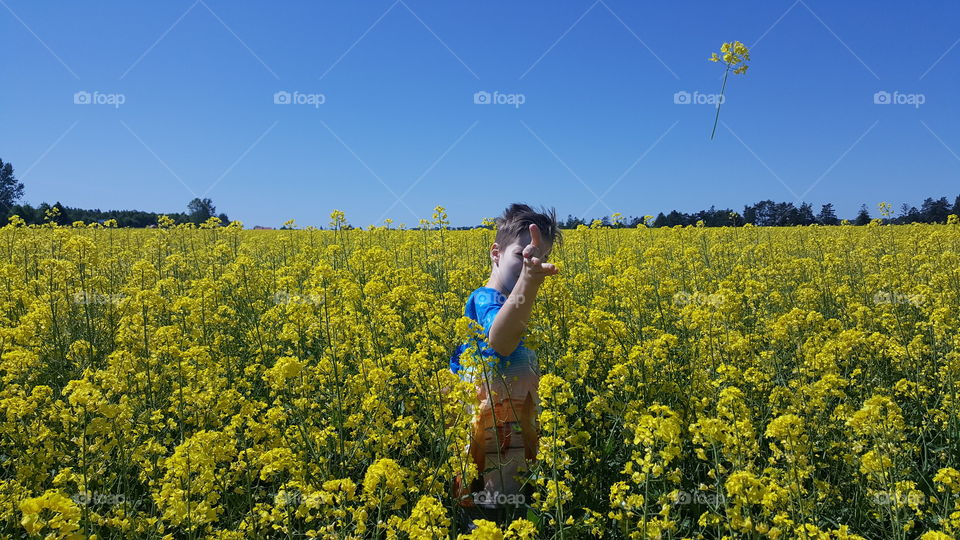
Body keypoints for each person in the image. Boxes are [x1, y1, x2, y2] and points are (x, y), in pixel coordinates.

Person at [449, 203, 562, 512]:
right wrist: (530, 280)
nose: (533, 263)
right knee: (486, 496)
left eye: (541, 257)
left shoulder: (516, 303)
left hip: (516, 419)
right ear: (495, 253)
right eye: (523, 256)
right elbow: (500, 341)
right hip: (486, 428)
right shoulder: (484, 299)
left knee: (515, 490)